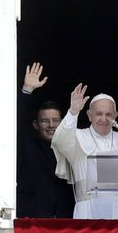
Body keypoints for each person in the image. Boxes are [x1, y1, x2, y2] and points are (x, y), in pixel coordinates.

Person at [51, 84, 118, 219]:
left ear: (115, 115)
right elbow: (59, 140)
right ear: (89, 115)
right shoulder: (77, 138)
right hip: (90, 214)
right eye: (98, 114)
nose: (104, 119)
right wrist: (73, 112)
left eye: (108, 114)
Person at [16, 62, 75, 218]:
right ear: (36, 124)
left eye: (56, 120)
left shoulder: (71, 148)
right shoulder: (28, 145)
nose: (51, 125)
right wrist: (27, 90)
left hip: (66, 218)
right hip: (34, 217)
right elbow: (13, 123)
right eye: (45, 121)